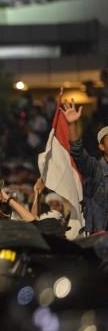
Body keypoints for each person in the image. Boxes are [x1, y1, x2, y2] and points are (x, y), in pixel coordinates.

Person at [62, 100, 108, 234]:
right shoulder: (95, 168)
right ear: (101, 147)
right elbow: (78, 152)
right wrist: (72, 124)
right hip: (99, 236)